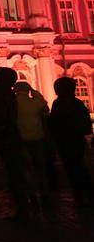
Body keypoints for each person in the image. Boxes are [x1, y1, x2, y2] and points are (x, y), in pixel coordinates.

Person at [0, 67, 28, 220]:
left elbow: (0, 115)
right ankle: (25, 205)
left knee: (14, 172)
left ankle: (23, 208)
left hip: (6, 136)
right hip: (9, 134)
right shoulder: (8, 94)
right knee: (15, 172)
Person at [49, 77, 94, 207]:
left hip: (64, 141)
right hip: (77, 140)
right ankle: (89, 195)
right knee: (82, 168)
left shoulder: (58, 103)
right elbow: (86, 123)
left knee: (71, 169)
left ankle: (79, 197)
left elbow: (55, 123)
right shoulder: (77, 103)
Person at [15, 82, 53, 209]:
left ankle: (32, 197)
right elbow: (44, 103)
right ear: (28, 90)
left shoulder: (14, 103)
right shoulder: (35, 102)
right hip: (37, 138)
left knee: (26, 170)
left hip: (21, 140)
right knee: (40, 169)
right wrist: (33, 90)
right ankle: (45, 196)